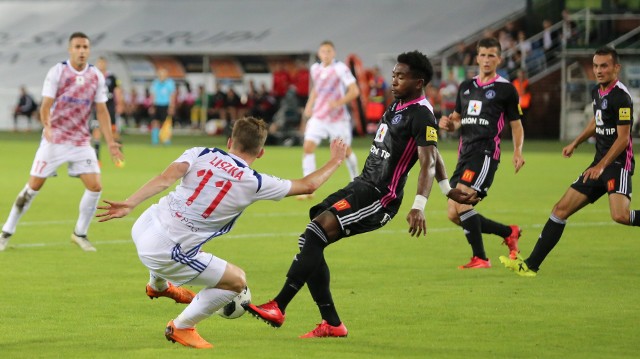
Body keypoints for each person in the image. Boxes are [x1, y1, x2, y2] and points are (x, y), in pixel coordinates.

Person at [245, 50, 479, 337]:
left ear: (419, 82)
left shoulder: (421, 114)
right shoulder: (398, 105)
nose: (393, 80)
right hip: (363, 184)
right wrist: (448, 189)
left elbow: (429, 160)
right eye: (393, 74)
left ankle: (279, 305)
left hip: (381, 196)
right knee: (313, 232)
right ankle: (331, 324)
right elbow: (434, 155)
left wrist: (420, 204)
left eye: (401, 76)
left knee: (315, 232)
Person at [95, 116, 349, 349]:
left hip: (144, 223)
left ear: (229, 142)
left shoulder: (201, 152)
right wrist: (336, 159)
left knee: (188, 242)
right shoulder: (255, 182)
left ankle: (158, 286)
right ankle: (182, 327)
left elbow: (165, 179)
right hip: (164, 249)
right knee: (236, 282)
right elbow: (308, 185)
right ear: (260, 153)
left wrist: (129, 203)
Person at [500, 46, 639, 277]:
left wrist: (601, 166)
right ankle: (529, 266)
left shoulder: (621, 97)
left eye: (604, 66)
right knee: (560, 210)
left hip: (617, 165)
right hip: (598, 165)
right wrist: (576, 142)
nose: (598, 70)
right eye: (595, 66)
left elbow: (624, 139)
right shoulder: (598, 92)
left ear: (617, 68)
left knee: (620, 216)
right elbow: (597, 122)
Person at [0, 32, 124, 252]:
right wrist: (47, 126)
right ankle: (6, 232)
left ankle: (80, 233)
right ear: (70, 49)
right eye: (77, 46)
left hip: (80, 142)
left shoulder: (96, 76)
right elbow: (46, 105)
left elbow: (102, 111)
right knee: (33, 187)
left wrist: (111, 142)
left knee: (95, 187)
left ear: (89, 50)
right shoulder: (58, 71)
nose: (82, 51)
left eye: (85, 47)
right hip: (55, 140)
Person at [439, 37, 526, 269]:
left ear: (499, 58)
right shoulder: (465, 87)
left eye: (491, 55)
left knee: (464, 200)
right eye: (483, 55)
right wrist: (450, 125)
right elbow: (458, 120)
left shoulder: (506, 89)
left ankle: (481, 258)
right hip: (464, 153)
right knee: (452, 213)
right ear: (476, 58)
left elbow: (516, 125)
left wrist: (518, 151)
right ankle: (509, 232)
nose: (486, 60)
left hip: (485, 153)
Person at [300, 40, 361, 199]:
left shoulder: (340, 69)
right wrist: (309, 105)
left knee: (345, 152)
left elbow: (354, 91)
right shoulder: (315, 69)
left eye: (328, 51)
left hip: (337, 120)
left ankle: (357, 182)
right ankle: (309, 187)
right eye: (323, 52)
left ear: (333, 53)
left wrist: (338, 103)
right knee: (308, 147)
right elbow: (316, 89)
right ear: (319, 53)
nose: (325, 54)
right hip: (319, 117)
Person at [90, 56, 124, 165]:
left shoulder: (112, 77)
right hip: (98, 107)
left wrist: (120, 104)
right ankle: (97, 158)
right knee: (96, 131)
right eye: (99, 63)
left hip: (110, 107)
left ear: (106, 64)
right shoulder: (93, 76)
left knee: (113, 132)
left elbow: (117, 91)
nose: (101, 65)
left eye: (103, 63)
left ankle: (119, 155)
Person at [149, 67, 176, 145]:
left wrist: (172, 106)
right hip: (157, 105)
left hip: (166, 105)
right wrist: (152, 106)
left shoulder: (170, 83)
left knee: (166, 123)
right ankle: (155, 140)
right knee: (155, 122)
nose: (161, 76)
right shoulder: (155, 83)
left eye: (163, 74)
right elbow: (152, 95)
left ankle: (166, 139)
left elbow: (172, 95)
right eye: (160, 74)